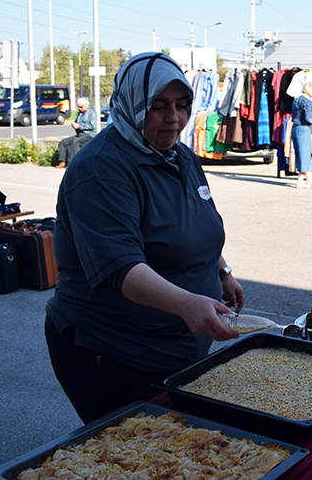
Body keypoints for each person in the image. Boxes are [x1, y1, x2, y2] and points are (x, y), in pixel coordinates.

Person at [45, 52, 244, 424]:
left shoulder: (179, 155)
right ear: (131, 104)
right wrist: (188, 304)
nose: (175, 118)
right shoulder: (99, 169)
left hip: (181, 350)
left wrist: (222, 272)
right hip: (115, 356)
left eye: (183, 106)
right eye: (158, 106)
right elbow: (121, 268)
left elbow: (195, 222)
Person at [54, 97, 96, 168]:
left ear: (86, 105)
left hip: (89, 135)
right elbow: (77, 122)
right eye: (78, 107)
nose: (79, 109)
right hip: (80, 134)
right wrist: (74, 124)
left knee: (75, 142)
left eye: (81, 107)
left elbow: (92, 126)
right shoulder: (80, 113)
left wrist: (79, 126)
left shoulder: (92, 113)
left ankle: (71, 162)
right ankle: (63, 161)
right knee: (64, 141)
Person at [291, 80, 312, 188]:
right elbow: (308, 118)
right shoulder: (308, 102)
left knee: (300, 153)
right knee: (304, 154)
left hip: (295, 127)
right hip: (303, 129)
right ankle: (300, 181)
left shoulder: (296, 100)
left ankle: (308, 177)